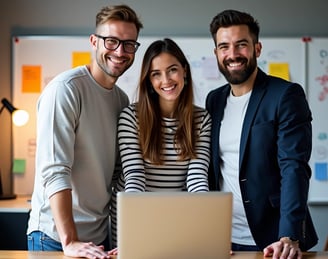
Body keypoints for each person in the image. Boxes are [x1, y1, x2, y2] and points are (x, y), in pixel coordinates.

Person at [26, 4, 143, 259]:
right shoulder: (66, 90)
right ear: (94, 41)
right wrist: (70, 241)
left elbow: (116, 177)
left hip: (98, 238)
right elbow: (55, 170)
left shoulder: (121, 101)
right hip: (56, 238)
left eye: (129, 44)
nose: (120, 51)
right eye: (111, 41)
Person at [206, 9, 318, 259]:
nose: (232, 54)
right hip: (224, 240)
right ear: (216, 53)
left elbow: (294, 167)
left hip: (274, 240)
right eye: (224, 46)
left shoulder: (285, 95)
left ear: (257, 48)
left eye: (241, 45)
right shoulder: (214, 100)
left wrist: (288, 236)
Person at [110, 38, 212, 249]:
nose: (166, 80)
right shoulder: (131, 117)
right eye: (156, 73)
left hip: (178, 220)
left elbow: (197, 178)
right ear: (149, 80)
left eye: (172, 70)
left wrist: (208, 229)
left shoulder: (201, 119)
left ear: (184, 70)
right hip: (134, 217)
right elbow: (135, 177)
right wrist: (130, 234)